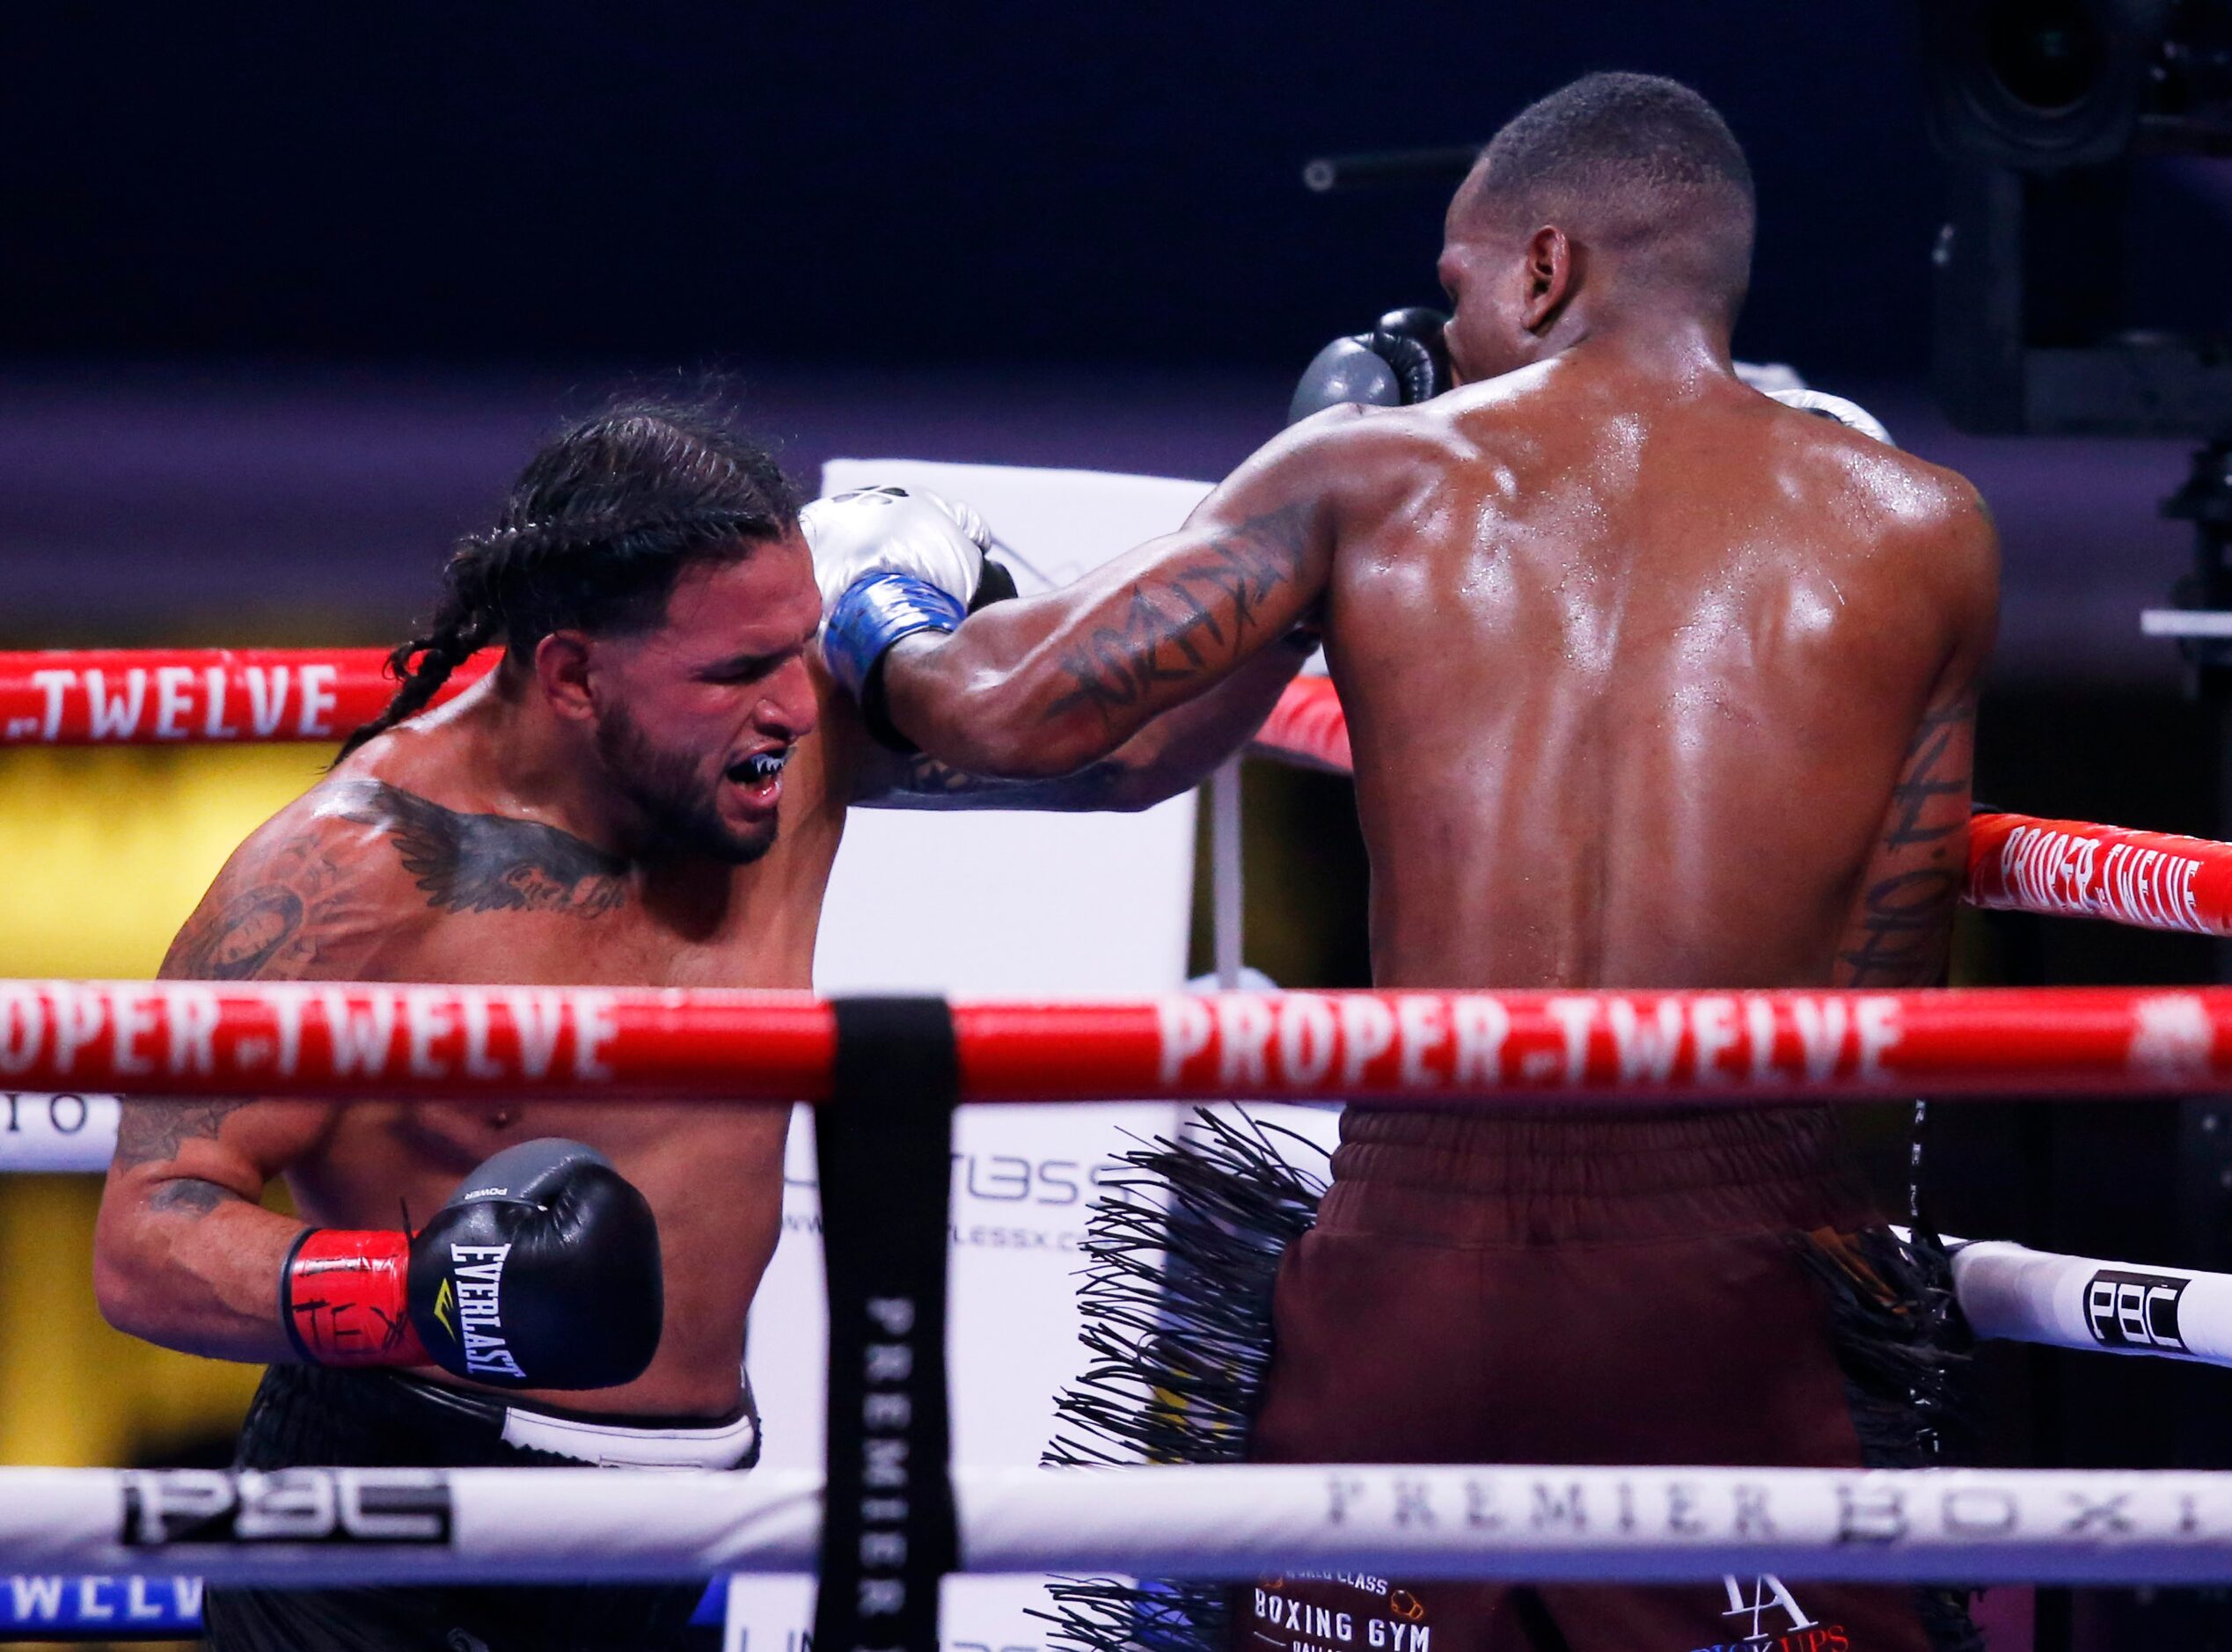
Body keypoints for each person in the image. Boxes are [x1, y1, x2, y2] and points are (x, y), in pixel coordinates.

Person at [818, 73, 2001, 1652]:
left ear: (1541, 268)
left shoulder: (1367, 475)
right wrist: (1817, 1280)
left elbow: (1001, 713)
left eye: (1454, 289)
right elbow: (1893, 966)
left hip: (1418, 1243)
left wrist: (876, 597)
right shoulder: (1922, 525)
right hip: (1729, 1260)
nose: (1436, 339)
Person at [91, 398, 1311, 1652]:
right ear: (570, 675)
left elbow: (1131, 754)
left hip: (678, 1523)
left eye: (797, 644)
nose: (791, 702)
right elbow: (146, 1236)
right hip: (399, 1515)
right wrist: (423, 1292)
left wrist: (1298, 559)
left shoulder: (795, 747)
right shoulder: (359, 871)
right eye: (733, 671)